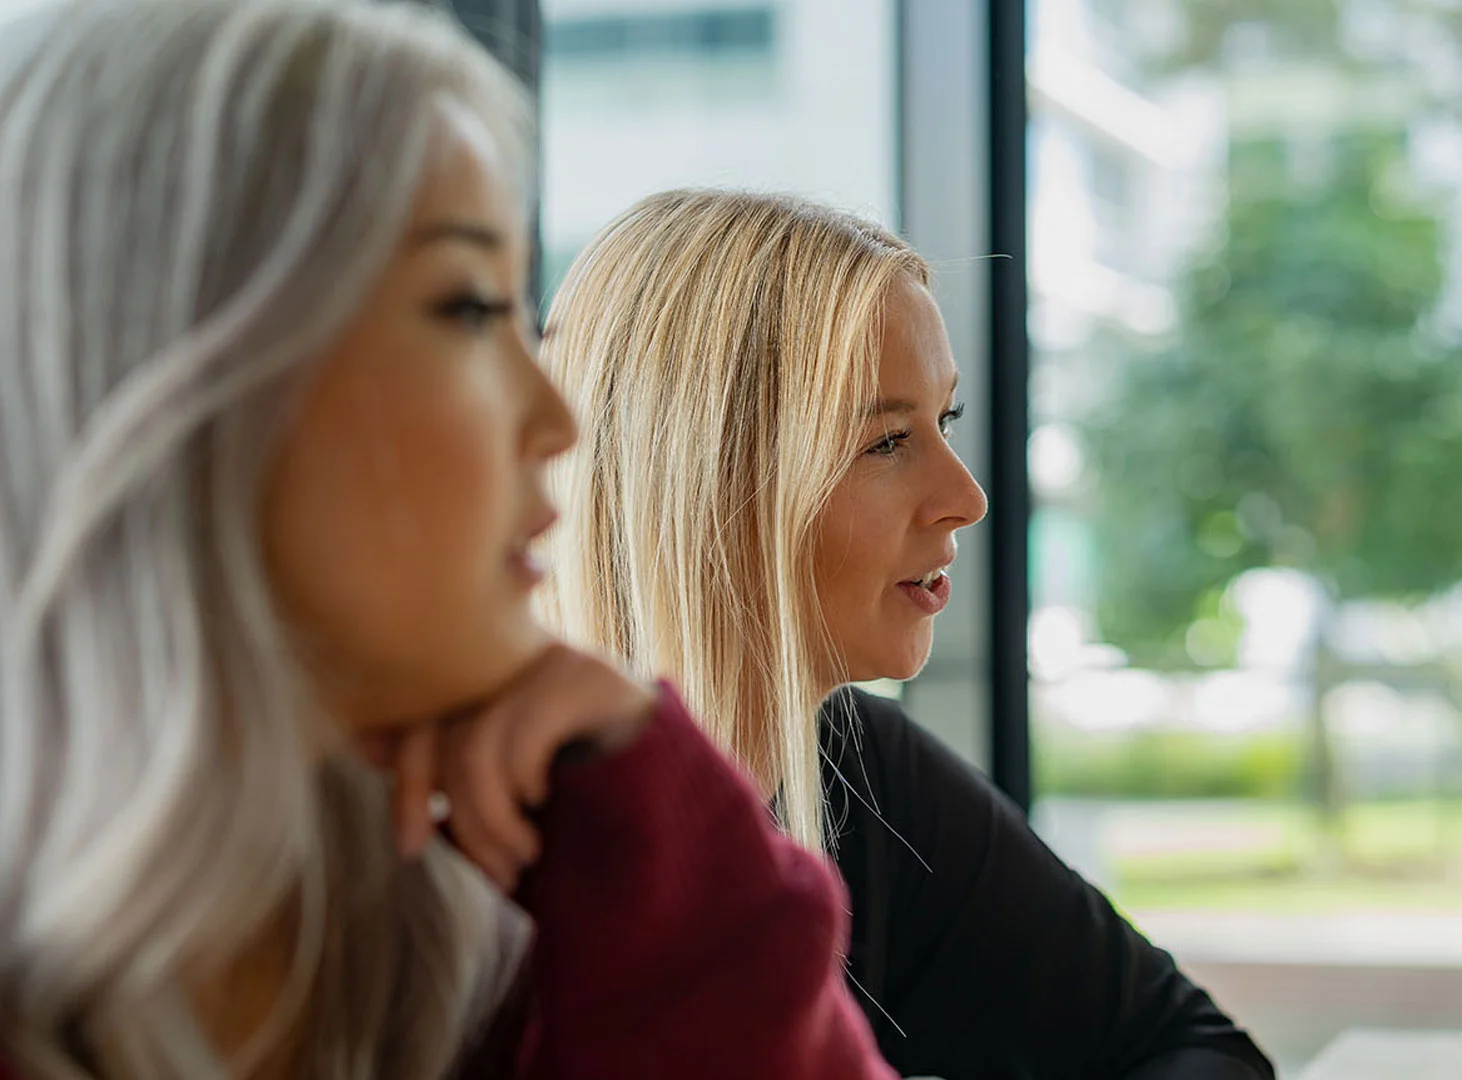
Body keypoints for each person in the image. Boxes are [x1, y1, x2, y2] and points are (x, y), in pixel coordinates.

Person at [0, 3, 897, 1077]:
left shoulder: (500, 927)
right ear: (176, 366)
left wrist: (665, 853)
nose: (558, 422)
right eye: (472, 311)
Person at [541, 189, 1277, 1079]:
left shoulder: (863, 771)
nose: (967, 496)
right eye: (887, 441)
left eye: (946, 421)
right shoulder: (508, 845)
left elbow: (1196, 1051)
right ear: (707, 482)